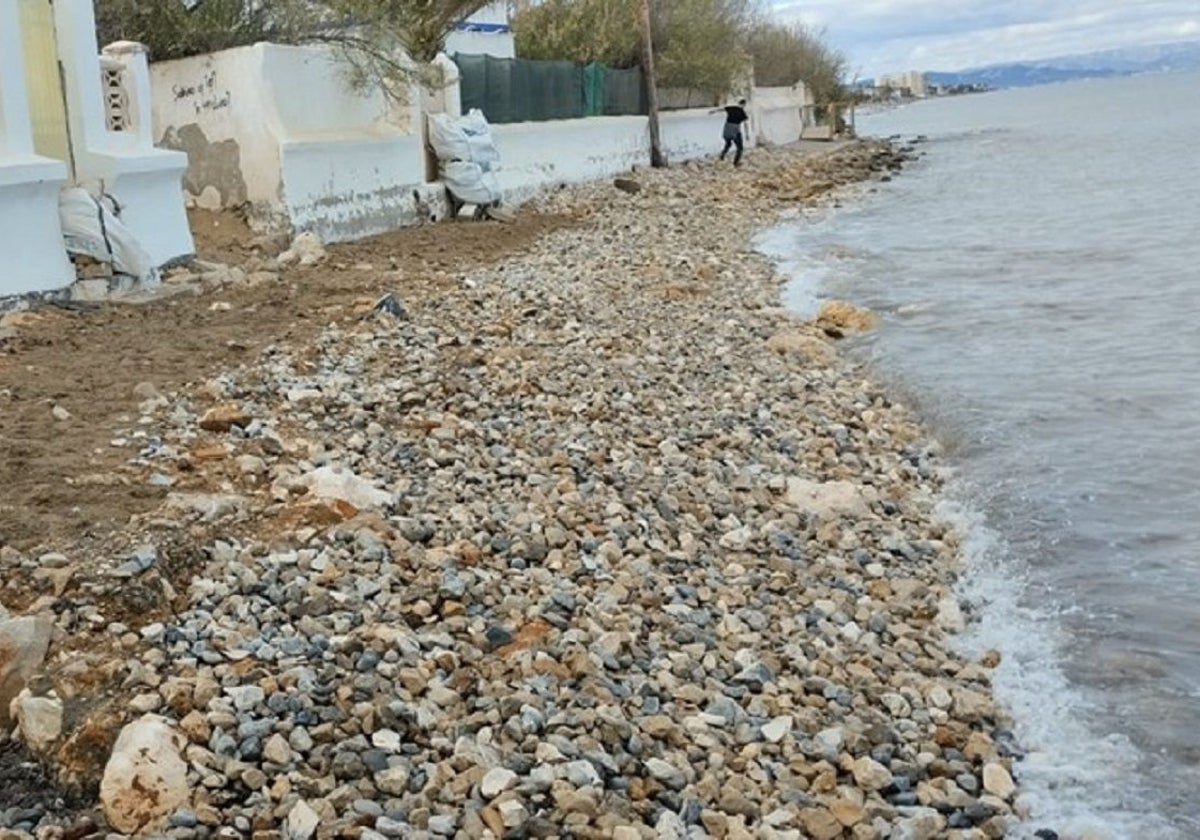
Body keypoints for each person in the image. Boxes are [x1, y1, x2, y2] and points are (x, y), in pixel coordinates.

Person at [710, 99, 749, 165]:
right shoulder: (742, 112)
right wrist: (747, 134)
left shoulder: (732, 108)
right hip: (735, 130)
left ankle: (722, 156)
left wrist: (713, 111)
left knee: (728, 144)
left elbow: (722, 109)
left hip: (727, 129)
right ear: (744, 105)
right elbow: (745, 124)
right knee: (740, 148)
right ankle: (736, 163)